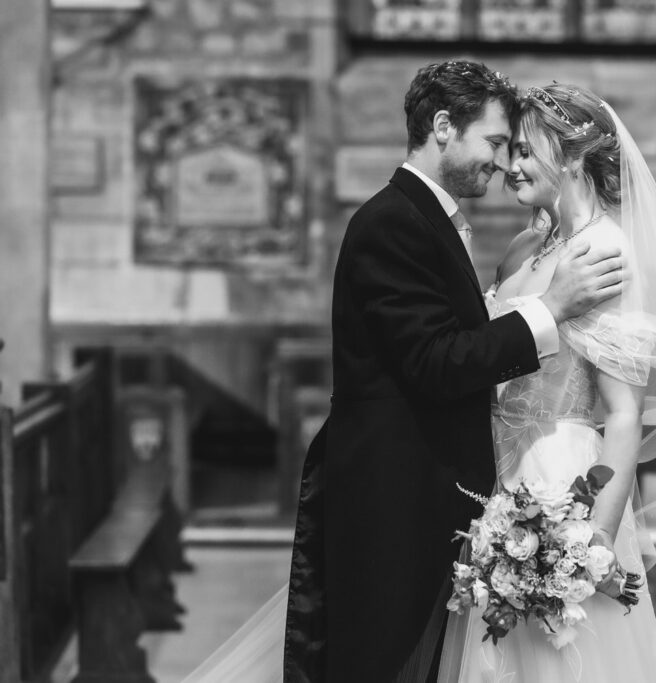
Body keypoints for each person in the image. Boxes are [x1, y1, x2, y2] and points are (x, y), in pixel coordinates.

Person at [181, 62, 625, 683]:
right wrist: (550, 310)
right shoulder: (392, 224)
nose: (501, 164)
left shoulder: (427, 220)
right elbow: (436, 362)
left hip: (453, 493)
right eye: (495, 144)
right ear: (444, 127)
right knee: (380, 661)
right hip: (393, 499)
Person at [437, 83, 656, 681]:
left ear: (573, 156)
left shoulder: (607, 251)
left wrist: (595, 539)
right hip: (497, 481)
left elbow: (623, 413)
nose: (509, 165)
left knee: (566, 655)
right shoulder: (527, 244)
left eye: (526, 151)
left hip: (567, 482)